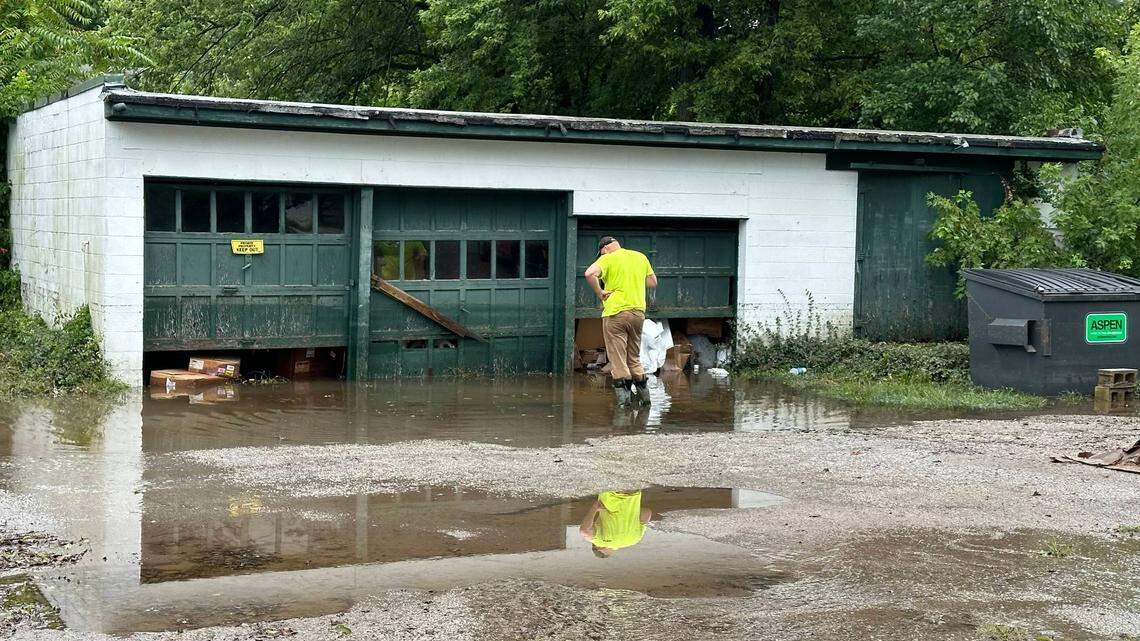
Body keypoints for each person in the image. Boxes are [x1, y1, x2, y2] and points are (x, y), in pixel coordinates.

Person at [584, 236, 658, 406]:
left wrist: (600, 292)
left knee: (617, 359)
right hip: (638, 313)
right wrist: (633, 280)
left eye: (601, 252)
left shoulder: (607, 258)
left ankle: (623, 405)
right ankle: (645, 400)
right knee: (634, 356)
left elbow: (589, 274)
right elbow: (653, 282)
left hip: (616, 313)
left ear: (605, 249)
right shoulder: (640, 257)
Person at [578, 490, 653, 558]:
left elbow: (647, 512)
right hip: (612, 494)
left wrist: (630, 511)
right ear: (597, 547)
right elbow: (584, 531)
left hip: (634, 493)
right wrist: (594, 508)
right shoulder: (599, 541)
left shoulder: (635, 540)